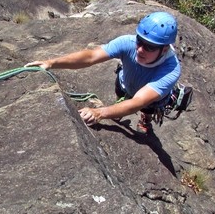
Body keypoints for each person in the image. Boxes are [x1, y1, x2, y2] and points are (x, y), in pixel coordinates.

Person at [27, 11, 181, 134]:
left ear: (165, 49)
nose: (140, 49)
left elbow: (138, 102)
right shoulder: (127, 42)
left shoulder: (171, 70)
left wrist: (99, 113)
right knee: (121, 94)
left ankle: (145, 119)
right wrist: (51, 63)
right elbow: (91, 56)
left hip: (149, 100)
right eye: (139, 41)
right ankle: (119, 108)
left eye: (149, 47)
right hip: (124, 83)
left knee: (147, 108)